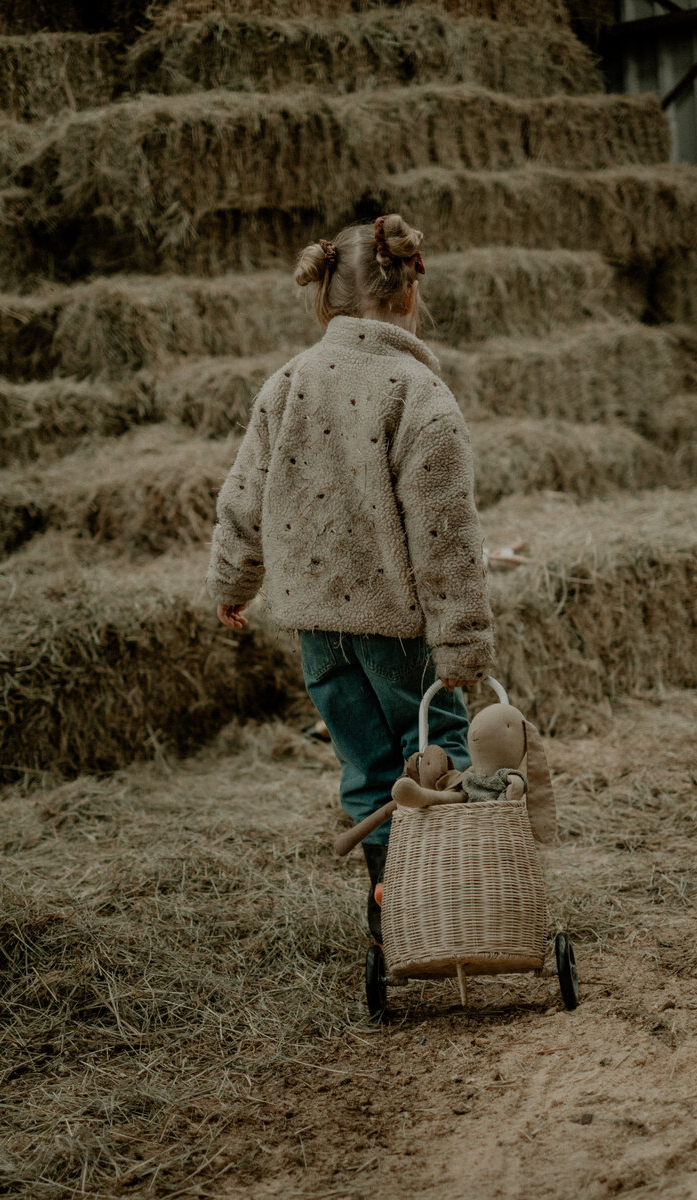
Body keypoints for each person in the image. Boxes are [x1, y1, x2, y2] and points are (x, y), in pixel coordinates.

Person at [206, 213, 494, 940]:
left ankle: (390, 914)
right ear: (407, 293)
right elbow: (446, 537)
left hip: (315, 625)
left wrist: (233, 583)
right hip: (393, 624)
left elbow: (244, 493)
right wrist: (461, 646)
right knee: (439, 756)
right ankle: (449, 909)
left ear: (327, 293)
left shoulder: (287, 382)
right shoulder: (419, 393)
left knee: (366, 769)